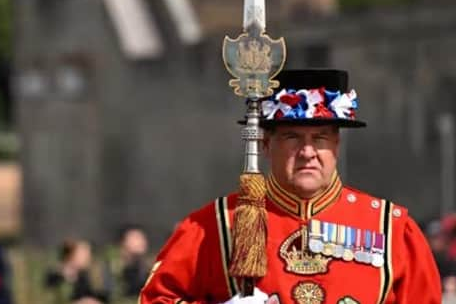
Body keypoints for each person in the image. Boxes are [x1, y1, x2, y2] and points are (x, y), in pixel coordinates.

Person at [139, 69, 442, 303]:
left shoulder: (392, 230)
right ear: (267, 144)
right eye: (292, 137)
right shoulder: (215, 226)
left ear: (337, 144)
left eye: (320, 138)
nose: (308, 152)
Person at [44, 238, 109, 304]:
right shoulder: (63, 271)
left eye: (85, 251)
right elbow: (49, 284)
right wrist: (63, 274)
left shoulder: (96, 270)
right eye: (80, 252)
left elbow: (102, 295)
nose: (85, 255)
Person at [105, 225, 151, 302]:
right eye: (136, 238)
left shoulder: (146, 267)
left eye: (143, 238)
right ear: (123, 242)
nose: (142, 242)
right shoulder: (111, 266)